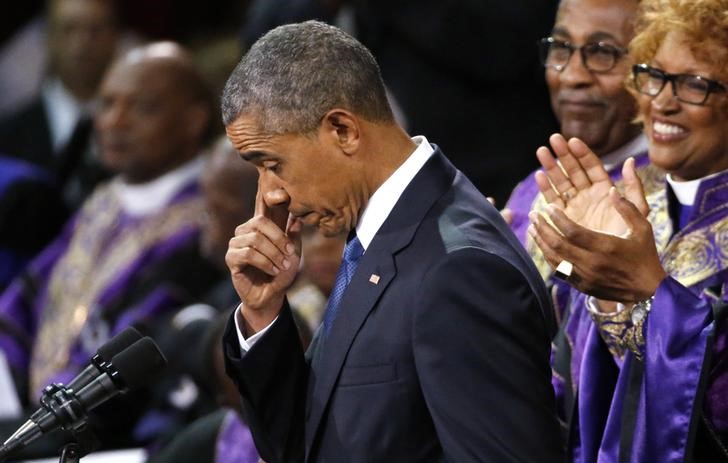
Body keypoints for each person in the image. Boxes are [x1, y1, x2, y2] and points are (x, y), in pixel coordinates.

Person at [221, 20, 563, 462]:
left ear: (342, 130)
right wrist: (264, 313)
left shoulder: (458, 270)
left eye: (272, 163)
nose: (270, 193)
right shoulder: (379, 234)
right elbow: (304, 447)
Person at [528, 0, 728, 460]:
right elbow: (561, 372)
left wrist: (646, 291)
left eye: (695, 84)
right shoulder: (618, 200)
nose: (663, 101)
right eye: (654, 76)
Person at [0, 41, 220, 454]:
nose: (114, 121)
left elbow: (142, 351)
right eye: (106, 104)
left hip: (110, 434)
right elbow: (25, 297)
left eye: (142, 108)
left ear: (194, 120)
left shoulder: (206, 219)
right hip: (34, 413)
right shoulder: (102, 202)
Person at [504, 0, 664, 280]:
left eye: (603, 53)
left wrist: (566, 268)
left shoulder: (670, 200)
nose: (572, 75)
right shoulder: (534, 187)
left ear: (651, 69)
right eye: (562, 48)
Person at [0, 0, 120, 211]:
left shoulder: (138, 136)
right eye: (69, 29)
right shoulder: (7, 137)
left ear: (115, 37)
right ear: (47, 37)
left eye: (95, 30)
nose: (83, 42)